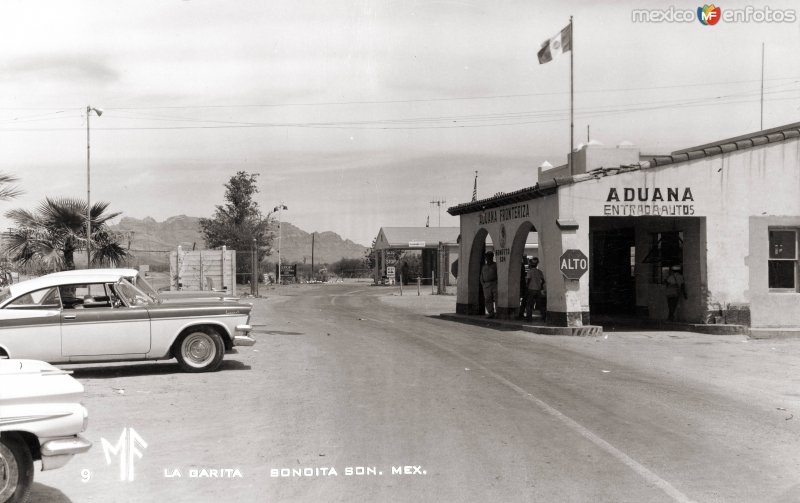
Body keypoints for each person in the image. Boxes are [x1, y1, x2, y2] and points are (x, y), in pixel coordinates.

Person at [525, 257, 546, 322]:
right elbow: (543, 281)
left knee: (529, 305)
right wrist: (541, 286)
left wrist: (527, 287)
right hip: (538, 290)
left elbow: (528, 280)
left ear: (531, 264)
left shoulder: (530, 272)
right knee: (540, 304)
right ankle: (544, 316)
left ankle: (529, 318)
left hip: (531, 289)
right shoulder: (539, 272)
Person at [480, 251, 498, 318]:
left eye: (490, 256)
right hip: (486, 284)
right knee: (487, 299)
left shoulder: (495, 265)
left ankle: (497, 312)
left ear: (492, 257)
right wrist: (483, 284)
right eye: (487, 257)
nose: (488, 258)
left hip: (494, 283)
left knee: (496, 298)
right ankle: (491, 313)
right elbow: (481, 276)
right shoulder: (484, 266)